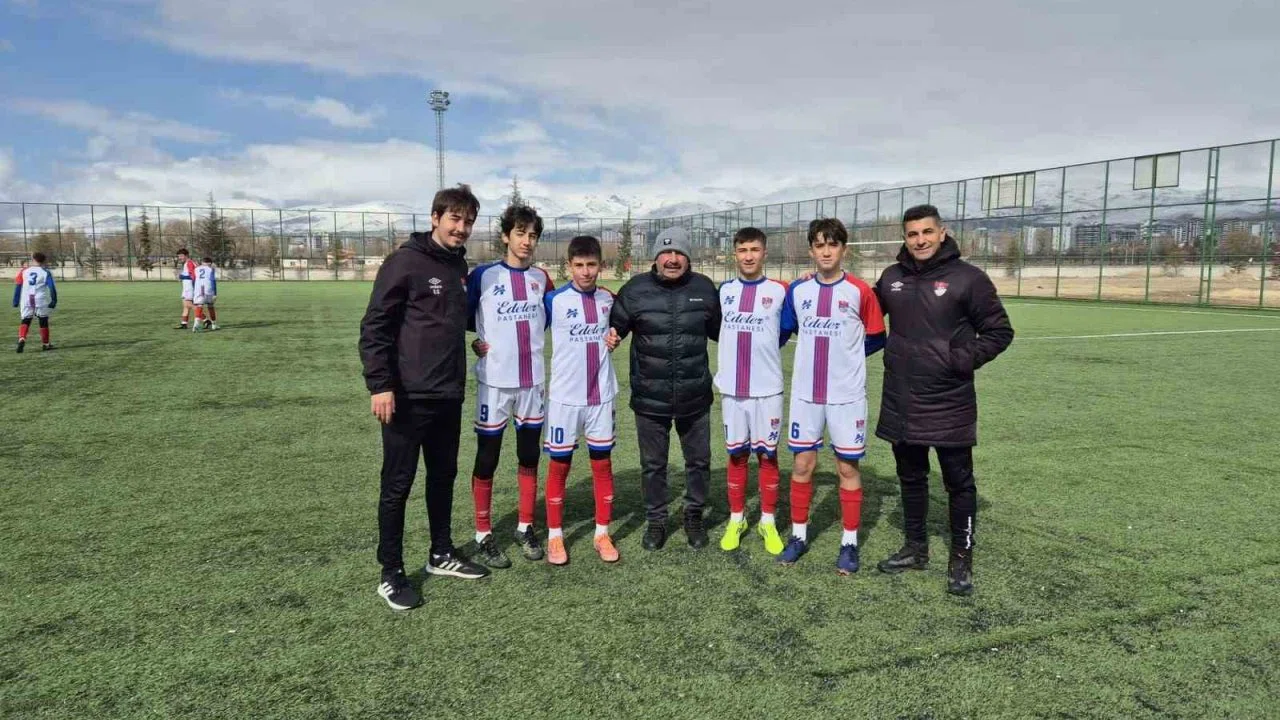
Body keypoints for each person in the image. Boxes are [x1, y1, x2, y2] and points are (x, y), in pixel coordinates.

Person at [359, 184, 491, 612]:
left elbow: (448, 320)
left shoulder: (459, 266)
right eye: (454, 219)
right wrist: (380, 384)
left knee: (443, 476)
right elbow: (375, 326)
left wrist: (477, 341)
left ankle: (440, 552)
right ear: (435, 218)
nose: (461, 228)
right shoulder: (404, 262)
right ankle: (391, 571)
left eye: (468, 221)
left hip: (448, 392)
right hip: (407, 395)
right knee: (397, 484)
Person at [873, 204, 1014, 596]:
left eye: (926, 232)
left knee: (959, 482)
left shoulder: (969, 278)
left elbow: (999, 331)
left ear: (942, 232)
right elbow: (862, 309)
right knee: (910, 477)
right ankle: (915, 549)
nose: (920, 240)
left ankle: (961, 558)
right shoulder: (892, 277)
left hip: (949, 400)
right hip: (902, 397)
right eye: (912, 234)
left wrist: (959, 360)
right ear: (905, 238)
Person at [776, 218, 885, 574]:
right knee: (802, 465)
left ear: (843, 249)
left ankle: (849, 543)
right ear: (811, 251)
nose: (826, 251)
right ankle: (798, 537)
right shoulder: (798, 290)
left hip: (846, 396)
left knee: (846, 467)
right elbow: (782, 330)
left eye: (832, 245)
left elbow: (876, 337)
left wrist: (847, 360)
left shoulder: (860, 291)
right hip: (806, 395)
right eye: (819, 245)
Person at [606, 226, 721, 550]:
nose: (672, 259)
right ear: (655, 257)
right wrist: (611, 335)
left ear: (688, 258)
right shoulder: (635, 290)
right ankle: (656, 520)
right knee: (653, 465)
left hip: (695, 395)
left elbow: (722, 332)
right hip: (649, 397)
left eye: (679, 253)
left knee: (699, 461)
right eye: (666, 253)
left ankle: (693, 516)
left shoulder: (704, 288)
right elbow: (614, 327)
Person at [464, 204, 555, 569]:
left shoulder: (542, 279)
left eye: (532, 235)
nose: (527, 241)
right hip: (495, 382)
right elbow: (466, 317)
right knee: (488, 456)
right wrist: (478, 341)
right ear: (505, 236)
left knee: (529, 455)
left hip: (532, 382)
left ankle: (525, 526)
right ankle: (483, 533)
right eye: (520, 233)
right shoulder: (482, 276)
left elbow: (549, 320)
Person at [541, 235, 621, 565]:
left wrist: (616, 336)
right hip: (564, 399)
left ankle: (602, 533)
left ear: (601, 265)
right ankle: (555, 536)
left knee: (602, 463)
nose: (586, 271)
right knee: (559, 465)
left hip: (601, 396)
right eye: (579, 265)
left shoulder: (610, 299)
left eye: (591, 265)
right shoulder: (553, 300)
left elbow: (622, 328)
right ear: (568, 266)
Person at [714, 227, 790, 555]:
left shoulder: (780, 291)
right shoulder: (724, 291)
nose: (748, 256)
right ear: (735, 253)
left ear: (764, 253)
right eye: (743, 250)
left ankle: (767, 521)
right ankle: (737, 518)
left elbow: (785, 330)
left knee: (767, 454)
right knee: (737, 454)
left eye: (754, 250)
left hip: (768, 389)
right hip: (733, 389)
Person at [13, 252, 57, 353]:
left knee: (26, 320)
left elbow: (18, 286)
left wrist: (15, 300)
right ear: (44, 261)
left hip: (26, 299)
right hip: (39, 299)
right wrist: (54, 300)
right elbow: (51, 288)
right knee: (43, 320)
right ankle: (46, 344)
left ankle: (22, 338)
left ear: (33, 259)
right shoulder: (45, 272)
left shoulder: (24, 271)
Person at [191, 257, 219, 332]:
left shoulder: (196, 269)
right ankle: (214, 325)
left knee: (199, 306)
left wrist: (194, 290)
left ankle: (196, 325)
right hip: (208, 289)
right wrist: (215, 293)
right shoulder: (211, 269)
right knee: (210, 306)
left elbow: (193, 280)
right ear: (210, 263)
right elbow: (213, 280)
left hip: (199, 289)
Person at [175, 249, 197, 330]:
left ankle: (206, 320)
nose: (179, 258)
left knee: (188, 304)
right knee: (185, 305)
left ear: (186, 255)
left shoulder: (189, 263)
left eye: (181, 256)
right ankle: (184, 323)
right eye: (179, 256)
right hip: (186, 287)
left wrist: (182, 276)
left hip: (190, 287)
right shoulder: (187, 263)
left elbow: (193, 276)